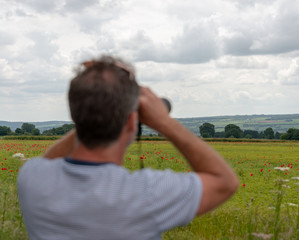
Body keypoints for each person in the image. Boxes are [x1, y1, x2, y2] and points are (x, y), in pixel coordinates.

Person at [17, 56, 239, 240]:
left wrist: (95, 110)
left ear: (74, 116)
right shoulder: (145, 193)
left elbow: (49, 160)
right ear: (132, 123)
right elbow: (225, 182)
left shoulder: (32, 177)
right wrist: (163, 121)